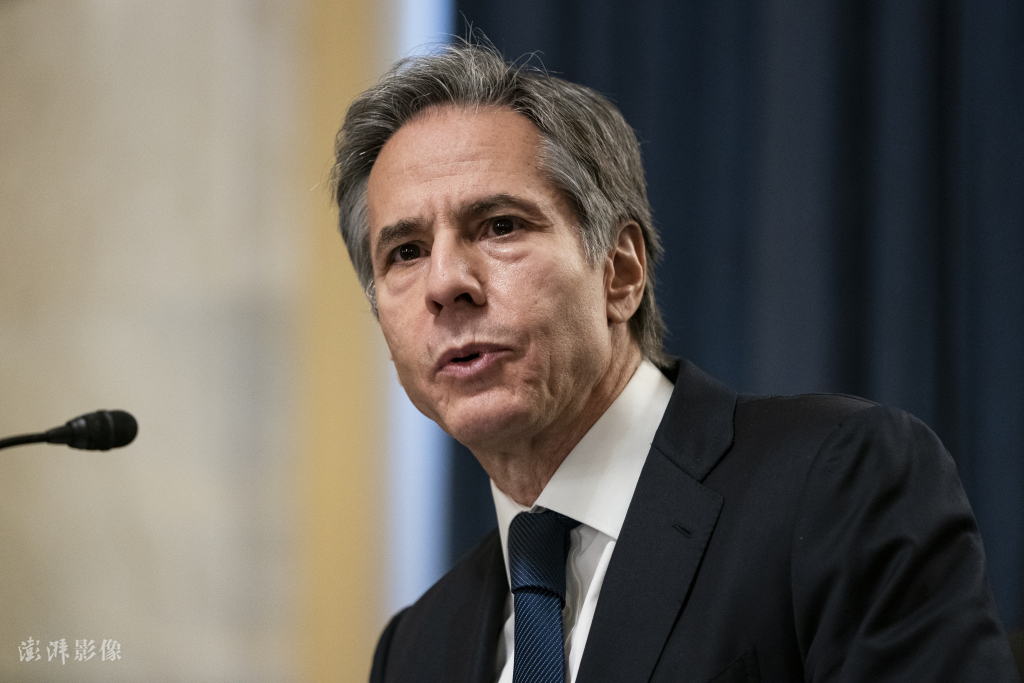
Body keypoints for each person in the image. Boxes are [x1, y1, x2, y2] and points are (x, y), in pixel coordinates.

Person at [331, 42, 1020, 683]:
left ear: (621, 272)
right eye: (405, 252)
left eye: (500, 225)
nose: (446, 283)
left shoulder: (841, 485)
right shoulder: (416, 649)